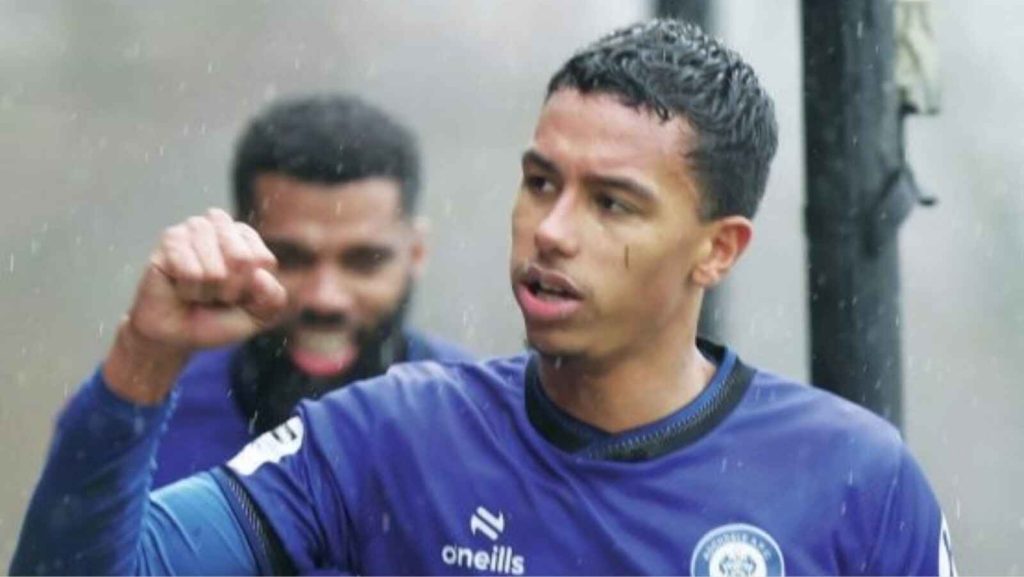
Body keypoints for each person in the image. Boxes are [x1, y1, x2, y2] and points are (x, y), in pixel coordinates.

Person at [11, 20, 955, 576]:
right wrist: (144, 359)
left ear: (718, 250)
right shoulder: (387, 436)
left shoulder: (855, 482)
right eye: (541, 182)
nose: (552, 229)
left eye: (612, 202)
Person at [151, 95, 472, 487]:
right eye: (288, 258)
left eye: (363, 261)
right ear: (238, 244)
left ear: (416, 253)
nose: (325, 298)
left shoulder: (481, 426)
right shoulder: (149, 419)